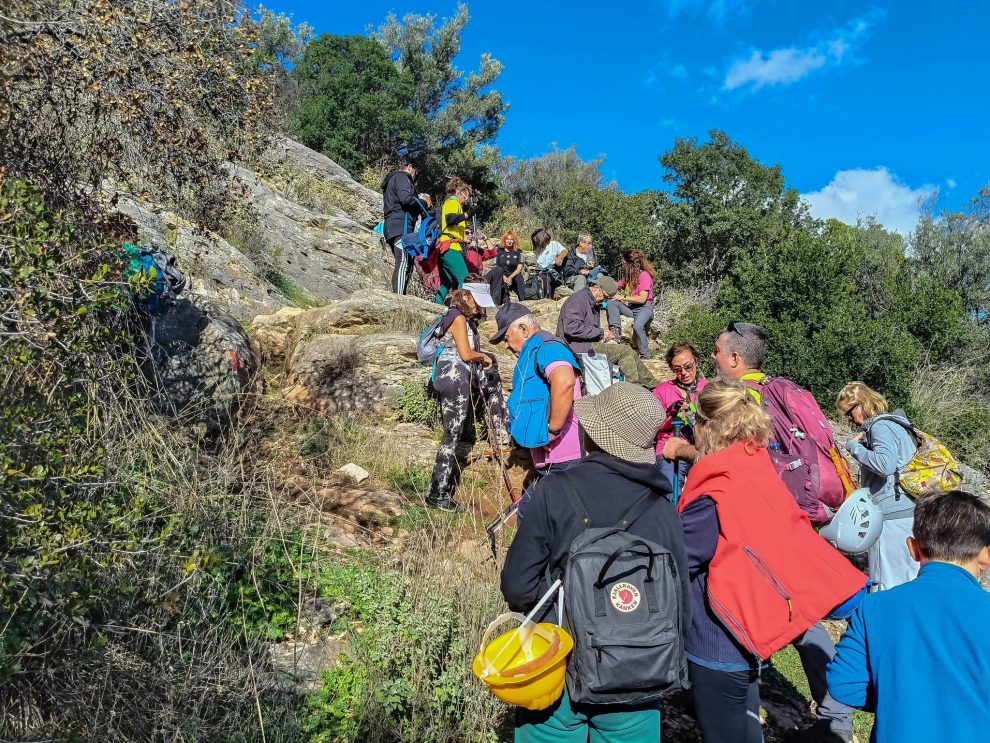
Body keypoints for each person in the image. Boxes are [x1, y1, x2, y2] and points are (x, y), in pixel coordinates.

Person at [678, 380, 867, 743]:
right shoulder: (755, 469)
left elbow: (679, 556)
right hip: (750, 630)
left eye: (694, 425)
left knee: (726, 729)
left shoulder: (715, 492)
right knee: (744, 714)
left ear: (706, 428)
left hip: (718, 638)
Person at [501, 382, 689, 743]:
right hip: (638, 676)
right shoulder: (664, 510)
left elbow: (518, 587)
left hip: (561, 670)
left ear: (594, 436)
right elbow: (679, 601)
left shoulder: (554, 490)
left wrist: (568, 604)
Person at [708, 322, 857, 742]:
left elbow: (730, 463)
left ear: (735, 359)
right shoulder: (782, 389)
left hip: (757, 521)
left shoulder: (739, 399)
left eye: (719, 351)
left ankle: (761, 706)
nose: (715, 358)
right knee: (799, 608)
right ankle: (835, 711)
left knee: (775, 609)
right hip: (794, 515)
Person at [827, 490, 990, 743]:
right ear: (986, 555)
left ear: (913, 549)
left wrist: (897, 696)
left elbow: (843, 684)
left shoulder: (872, 607)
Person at [490, 303, 583, 515]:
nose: (506, 344)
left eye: (506, 337)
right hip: (556, 459)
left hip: (565, 456)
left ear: (523, 329)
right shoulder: (538, 348)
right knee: (536, 514)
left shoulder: (547, 346)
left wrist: (553, 430)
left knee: (535, 515)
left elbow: (564, 380)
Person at [426, 287, 508, 512]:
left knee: (452, 433)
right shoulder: (458, 317)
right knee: (452, 434)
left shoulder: (458, 317)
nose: (480, 307)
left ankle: (437, 490)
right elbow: (465, 353)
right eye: (478, 302)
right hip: (454, 376)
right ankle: (438, 493)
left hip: (452, 376)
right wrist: (483, 356)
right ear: (467, 298)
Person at [836, 382, 920, 592]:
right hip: (909, 510)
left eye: (849, 412)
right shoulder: (899, 424)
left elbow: (885, 464)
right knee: (908, 578)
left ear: (861, 404)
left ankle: (886, 623)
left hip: (893, 514)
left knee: (887, 582)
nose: (849, 419)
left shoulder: (880, 426)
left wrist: (853, 447)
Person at [653, 342, 708, 492]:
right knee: (669, 491)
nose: (684, 372)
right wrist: (670, 412)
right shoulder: (661, 391)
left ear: (696, 361)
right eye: (677, 369)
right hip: (670, 448)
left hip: (703, 447)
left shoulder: (709, 388)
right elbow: (651, 426)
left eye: (688, 366)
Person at [381, 155, 432, 295]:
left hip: (392, 225)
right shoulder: (403, 177)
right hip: (401, 225)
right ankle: (398, 299)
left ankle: (400, 296)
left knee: (406, 262)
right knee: (403, 262)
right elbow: (406, 199)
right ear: (409, 167)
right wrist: (423, 202)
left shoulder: (392, 180)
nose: (415, 176)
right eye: (415, 171)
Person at [606, 250, 656, 359]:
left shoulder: (644, 276)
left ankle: (645, 354)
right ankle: (615, 335)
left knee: (638, 326)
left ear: (630, 264)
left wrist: (623, 297)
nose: (623, 265)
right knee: (612, 303)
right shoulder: (629, 278)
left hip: (644, 308)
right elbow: (615, 285)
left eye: (624, 263)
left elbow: (642, 299)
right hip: (632, 309)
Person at [554, 275, 618, 354]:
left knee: (622, 350)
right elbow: (572, 328)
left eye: (608, 299)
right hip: (571, 348)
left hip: (584, 345)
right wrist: (601, 333)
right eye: (605, 297)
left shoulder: (594, 303)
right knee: (624, 351)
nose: (605, 301)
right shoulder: (577, 300)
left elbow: (589, 330)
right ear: (596, 289)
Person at [435, 177, 473, 304]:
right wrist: (468, 214)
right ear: (458, 193)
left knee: (447, 283)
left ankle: (436, 309)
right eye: (465, 196)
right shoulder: (453, 202)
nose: (465, 200)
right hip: (451, 247)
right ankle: (462, 310)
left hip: (446, 247)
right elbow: (451, 219)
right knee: (465, 278)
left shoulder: (452, 204)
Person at [485, 231, 526, 305]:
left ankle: (523, 300)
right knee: (497, 276)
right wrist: (503, 277)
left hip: (513, 275)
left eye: (511, 239)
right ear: (504, 240)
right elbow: (495, 266)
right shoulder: (499, 251)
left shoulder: (519, 252)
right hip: (501, 275)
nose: (509, 241)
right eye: (507, 239)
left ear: (514, 241)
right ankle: (496, 302)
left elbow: (519, 268)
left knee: (519, 277)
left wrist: (510, 277)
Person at [532, 228, 568, 298]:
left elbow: (565, 251)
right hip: (542, 273)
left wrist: (559, 257)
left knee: (545, 277)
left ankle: (546, 298)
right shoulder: (537, 250)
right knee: (540, 278)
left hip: (554, 274)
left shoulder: (554, 244)